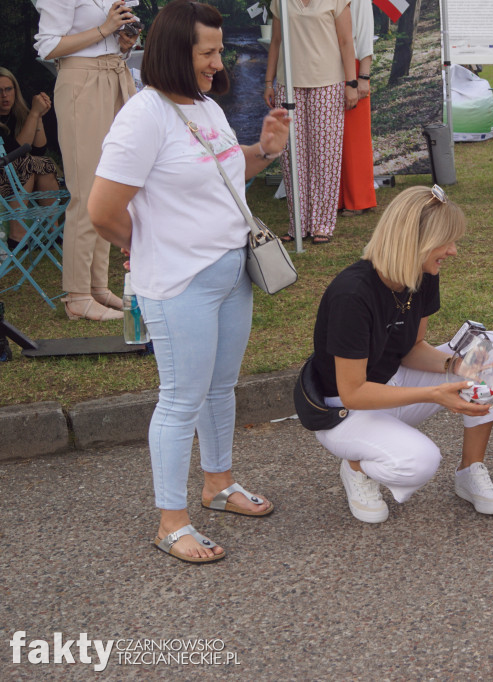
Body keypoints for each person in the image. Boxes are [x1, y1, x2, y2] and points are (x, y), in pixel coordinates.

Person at [88, 0, 291, 563]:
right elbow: (102, 210)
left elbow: (225, 170)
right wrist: (145, 246)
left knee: (219, 389)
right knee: (180, 400)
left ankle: (218, 486)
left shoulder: (203, 106)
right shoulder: (143, 116)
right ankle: (171, 521)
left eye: (218, 49)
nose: (216, 60)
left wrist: (263, 151)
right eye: (208, 51)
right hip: (180, 284)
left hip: (231, 274)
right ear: (178, 51)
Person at [308, 184, 493, 524]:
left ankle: (470, 470)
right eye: (446, 241)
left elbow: (410, 351)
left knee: (489, 345)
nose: (453, 251)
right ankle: (356, 466)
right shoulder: (352, 295)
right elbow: (353, 392)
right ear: (414, 241)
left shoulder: (422, 273)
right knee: (420, 463)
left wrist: (456, 365)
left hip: (393, 384)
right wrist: (436, 393)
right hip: (345, 411)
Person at [34, 0, 141, 321]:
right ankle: (77, 295)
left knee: (111, 188)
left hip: (117, 75)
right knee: (86, 191)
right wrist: (103, 29)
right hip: (81, 81)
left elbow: (110, 39)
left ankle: (96, 287)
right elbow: (48, 46)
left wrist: (123, 41)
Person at [264, 0, 358, 244]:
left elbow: (347, 42)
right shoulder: (281, 1)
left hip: (327, 85)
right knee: (292, 158)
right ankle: (298, 224)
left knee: (324, 157)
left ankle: (322, 224)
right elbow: (275, 42)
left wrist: (352, 83)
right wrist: (268, 81)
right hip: (288, 85)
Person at [0, 67, 62, 251]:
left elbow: (38, 149)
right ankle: (16, 236)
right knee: (27, 163)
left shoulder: (18, 114)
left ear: (15, 91)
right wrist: (34, 113)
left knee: (41, 164)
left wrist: (38, 117)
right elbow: (16, 151)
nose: (4, 95)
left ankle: (53, 232)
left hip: (15, 172)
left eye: (8, 89)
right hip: (3, 173)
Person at [337, 0, 377, 217]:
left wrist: (363, 76)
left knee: (355, 137)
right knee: (333, 137)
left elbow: (364, 32)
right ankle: (338, 198)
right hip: (328, 65)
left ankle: (359, 199)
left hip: (353, 65)